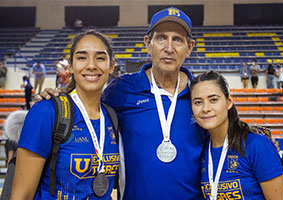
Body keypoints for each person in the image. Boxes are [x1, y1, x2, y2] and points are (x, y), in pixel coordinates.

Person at [37, 7, 206, 200]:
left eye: (177, 39)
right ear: (148, 43)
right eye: (161, 38)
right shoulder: (121, 89)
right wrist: (59, 96)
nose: (169, 47)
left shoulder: (201, 94)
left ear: (190, 47)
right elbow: (85, 106)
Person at [11, 30, 119, 199]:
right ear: (70, 66)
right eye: (82, 57)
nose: (91, 65)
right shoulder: (47, 111)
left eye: (100, 58)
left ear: (111, 66)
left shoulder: (112, 117)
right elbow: (21, 195)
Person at [190, 71, 283, 200]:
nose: (205, 108)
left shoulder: (257, 144)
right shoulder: (199, 149)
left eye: (213, 100)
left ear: (229, 102)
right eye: (198, 102)